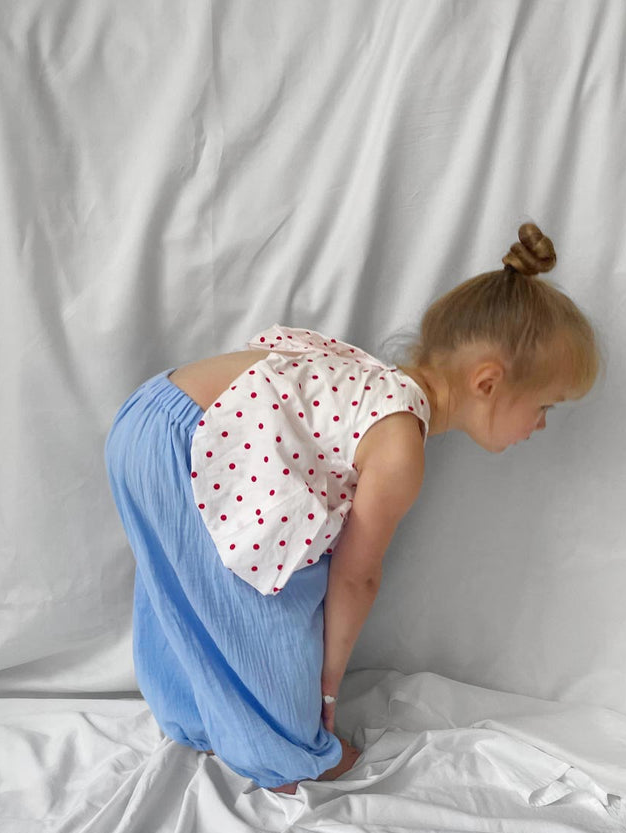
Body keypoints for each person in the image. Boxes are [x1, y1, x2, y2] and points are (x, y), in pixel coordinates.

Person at [104, 222, 600, 795]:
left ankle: (193, 713)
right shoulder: (399, 447)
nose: (539, 425)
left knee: (181, 587)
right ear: (488, 382)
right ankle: (285, 755)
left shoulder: (372, 382)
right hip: (188, 442)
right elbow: (355, 578)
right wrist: (327, 688)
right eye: (545, 407)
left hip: (149, 413)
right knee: (271, 602)